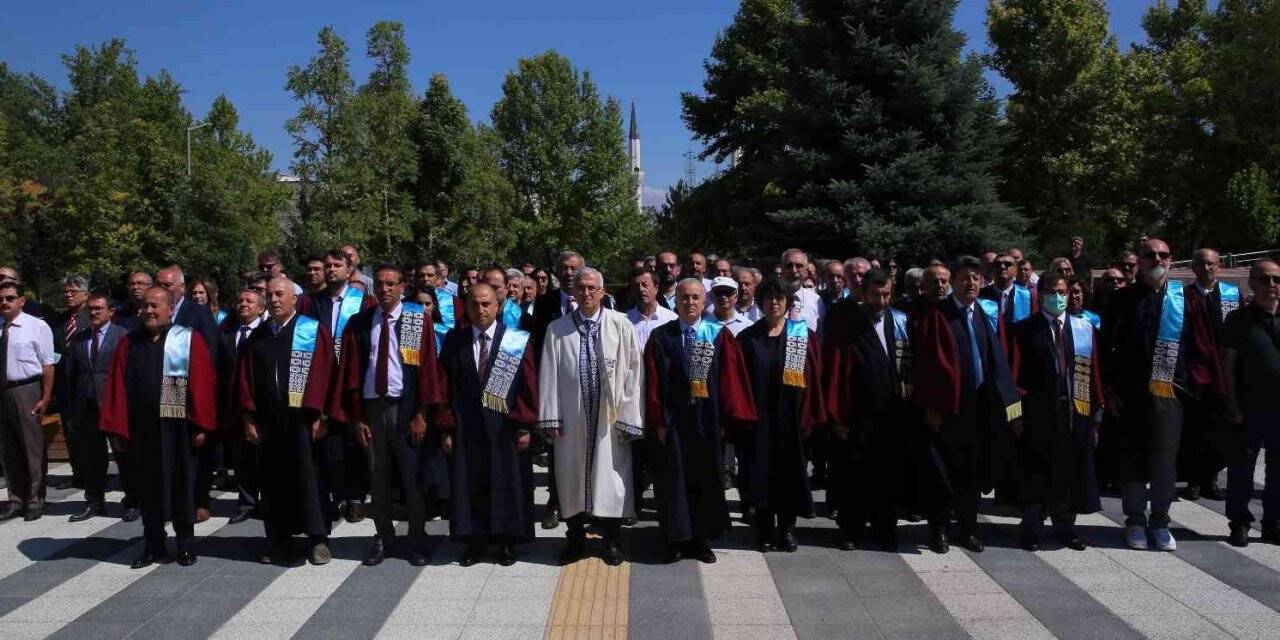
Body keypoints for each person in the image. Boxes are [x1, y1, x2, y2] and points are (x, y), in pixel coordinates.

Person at [1101, 239, 1222, 552]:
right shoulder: (1123, 299)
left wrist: (1193, 387)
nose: (1157, 259)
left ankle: (1160, 520)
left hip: (1171, 395)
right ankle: (1135, 520)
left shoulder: (1186, 300)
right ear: (1140, 261)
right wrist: (1110, 390)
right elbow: (1106, 348)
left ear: (1171, 260)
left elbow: (1202, 347)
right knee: (1132, 460)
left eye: (1163, 255)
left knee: (1165, 461)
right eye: (1150, 254)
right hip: (1131, 395)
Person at [100, 286, 217, 568]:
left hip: (177, 427)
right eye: (146, 306)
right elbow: (117, 387)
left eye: (156, 306)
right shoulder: (130, 343)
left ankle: (185, 543)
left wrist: (201, 424)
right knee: (147, 488)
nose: (149, 311)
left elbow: (202, 383)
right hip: (143, 429)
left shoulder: (186, 340)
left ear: (169, 309)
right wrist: (118, 428)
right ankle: (153, 544)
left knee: (180, 485)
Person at [338, 266, 446, 567]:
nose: (384, 289)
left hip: (406, 408)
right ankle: (383, 537)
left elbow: (427, 369)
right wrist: (357, 418)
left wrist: (422, 413)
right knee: (378, 477)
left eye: (391, 284)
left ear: (402, 287)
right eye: (380, 285)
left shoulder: (416, 319)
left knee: (412, 478)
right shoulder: (359, 323)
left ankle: (416, 537)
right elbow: (350, 373)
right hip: (373, 409)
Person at [912, 259, 1022, 554]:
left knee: (971, 473)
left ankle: (968, 529)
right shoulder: (938, 315)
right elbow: (927, 365)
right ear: (953, 282)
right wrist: (932, 406)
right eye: (964, 278)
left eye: (975, 278)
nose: (970, 283)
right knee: (942, 473)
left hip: (980, 407)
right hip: (947, 409)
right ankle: (939, 530)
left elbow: (998, 362)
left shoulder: (984, 314)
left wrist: (1012, 408)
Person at [644, 278, 756, 563]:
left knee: (705, 478)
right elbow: (654, 383)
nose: (690, 303)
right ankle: (675, 539)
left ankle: (701, 540)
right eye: (684, 298)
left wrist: (726, 421)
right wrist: (658, 420)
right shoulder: (662, 336)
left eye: (695, 297)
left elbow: (729, 381)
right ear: (676, 301)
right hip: (674, 422)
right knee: (674, 482)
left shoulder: (717, 335)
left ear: (704, 300)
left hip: (708, 420)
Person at [539, 268, 644, 566]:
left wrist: (630, 415)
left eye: (592, 288)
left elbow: (634, 373)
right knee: (570, 477)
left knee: (610, 480)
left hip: (609, 421)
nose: (586, 293)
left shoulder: (621, 325)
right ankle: (575, 540)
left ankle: (611, 540)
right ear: (573, 291)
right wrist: (551, 417)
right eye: (581, 288)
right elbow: (549, 375)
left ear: (602, 290)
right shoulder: (558, 329)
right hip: (572, 420)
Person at [237, 277, 339, 565]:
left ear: (295, 298)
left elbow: (325, 373)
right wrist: (248, 416)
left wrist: (320, 414)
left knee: (310, 477)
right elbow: (245, 380)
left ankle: (318, 538)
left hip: (304, 421)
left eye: (280, 294)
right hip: (270, 421)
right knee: (273, 481)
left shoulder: (310, 330)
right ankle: (278, 539)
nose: (274, 299)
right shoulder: (258, 336)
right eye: (269, 295)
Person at [439, 283, 538, 566]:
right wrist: (446, 427)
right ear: (466, 307)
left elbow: (528, 386)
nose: (480, 310)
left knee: (506, 483)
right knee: (470, 483)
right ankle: (474, 541)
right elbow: (445, 386)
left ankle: (506, 540)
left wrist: (524, 426)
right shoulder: (454, 341)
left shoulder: (516, 340)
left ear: (498, 305)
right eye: (474, 304)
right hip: (466, 427)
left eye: (486, 304)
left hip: (504, 426)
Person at [1007, 273, 1102, 551]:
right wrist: (1016, 416)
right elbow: (1013, 377)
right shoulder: (1023, 330)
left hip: (1074, 413)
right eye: (1051, 291)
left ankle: (1065, 527)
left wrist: (1096, 417)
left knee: (1069, 471)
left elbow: (1094, 375)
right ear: (1039, 295)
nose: (1058, 297)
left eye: (1062, 291)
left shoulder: (1084, 328)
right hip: (1036, 414)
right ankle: (1031, 529)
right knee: (1035, 472)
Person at [823, 269, 912, 551]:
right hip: (855, 413)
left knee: (888, 475)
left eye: (886, 294)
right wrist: (837, 415)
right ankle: (851, 529)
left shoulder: (899, 320)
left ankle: (885, 529)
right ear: (863, 291)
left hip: (891, 413)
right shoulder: (846, 322)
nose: (881, 300)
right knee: (853, 475)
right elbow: (835, 370)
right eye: (876, 294)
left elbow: (909, 365)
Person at [736, 277, 824, 553]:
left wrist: (809, 415)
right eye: (768, 298)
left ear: (787, 303)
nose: (774, 303)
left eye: (779, 298)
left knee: (790, 473)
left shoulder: (802, 334)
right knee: (760, 473)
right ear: (760, 303)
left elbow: (815, 378)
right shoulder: (748, 338)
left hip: (791, 418)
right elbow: (740, 381)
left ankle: (787, 528)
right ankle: (763, 529)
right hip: (759, 419)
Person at [304, 249, 376, 523]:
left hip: (352, 379)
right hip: (322, 380)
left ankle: (356, 498)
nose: (331, 269)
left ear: (349, 270)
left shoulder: (363, 301)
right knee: (326, 443)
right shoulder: (311, 302)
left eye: (337, 265)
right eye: (327, 265)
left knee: (354, 441)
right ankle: (332, 497)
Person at [1221, 260, 1280, 547]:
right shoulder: (1238, 320)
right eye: (1265, 279)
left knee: (1278, 469)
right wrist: (1232, 405)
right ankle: (1240, 522)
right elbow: (1227, 366)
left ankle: (1273, 523)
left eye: (1276, 279)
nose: (1271, 285)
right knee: (1242, 468)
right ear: (1252, 284)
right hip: (1248, 406)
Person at [63, 294, 132, 522]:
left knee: (124, 456)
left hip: (114, 406)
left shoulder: (123, 336)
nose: (93, 313)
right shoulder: (80, 338)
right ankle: (94, 501)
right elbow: (71, 375)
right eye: (90, 309)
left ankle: (133, 501)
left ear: (111, 312)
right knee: (92, 458)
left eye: (98, 309)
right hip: (88, 407)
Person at [1180, 247, 1238, 501]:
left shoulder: (1231, 296)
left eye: (1212, 264)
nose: (1207, 269)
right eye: (1202, 264)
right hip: (1195, 373)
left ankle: (1211, 479)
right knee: (1194, 430)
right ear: (1193, 268)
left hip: (1223, 372)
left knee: (1219, 431)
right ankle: (1193, 479)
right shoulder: (1183, 296)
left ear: (1220, 267)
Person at [0, 280, 56, 521]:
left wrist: (45, 397)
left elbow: (47, 364)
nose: (4, 302)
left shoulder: (37, 326)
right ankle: (16, 499)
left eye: (10, 298)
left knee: (31, 447)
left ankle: (35, 500)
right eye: (1, 299)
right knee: (7, 449)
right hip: (2, 392)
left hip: (26, 390)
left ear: (21, 301)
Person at [218, 289, 265, 526]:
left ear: (261, 308)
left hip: (262, 406)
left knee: (264, 457)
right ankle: (246, 502)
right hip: (235, 408)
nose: (243, 304)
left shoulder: (268, 333)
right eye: (240, 301)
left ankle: (268, 501)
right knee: (241, 459)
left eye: (249, 301)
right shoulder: (226, 334)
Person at [51, 275, 91, 491]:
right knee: (71, 432)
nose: (68, 296)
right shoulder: (59, 322)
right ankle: (78, 474)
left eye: (73, 292)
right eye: (65, 292)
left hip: (87, 385)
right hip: (65, 387)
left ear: (85, 294)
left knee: (90, 434)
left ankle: (95, 475)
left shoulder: (92, 317)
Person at [626, 270, 677, 348]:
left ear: (656, 288)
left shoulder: (671, 319)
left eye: (645, 285)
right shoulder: (625, 321)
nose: (641, 289)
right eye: (636, 286)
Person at [780, 249, 824, 333]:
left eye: (799, 266)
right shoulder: (769, 299)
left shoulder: (816, 301)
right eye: (789, 266)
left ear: (806, 271)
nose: (794, 270)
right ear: (781, 269)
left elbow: (820, 336)